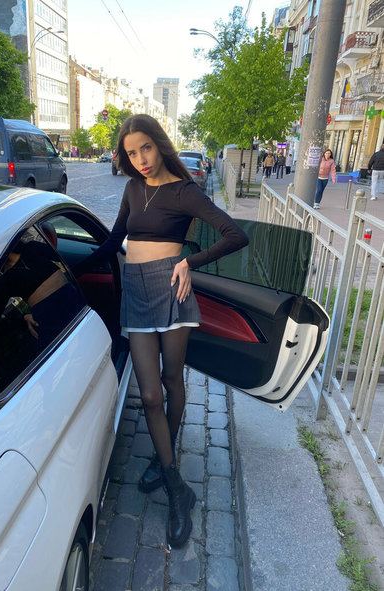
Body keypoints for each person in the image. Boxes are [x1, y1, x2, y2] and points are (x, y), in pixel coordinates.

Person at [77, 114, 248, 548]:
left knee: (172, 380)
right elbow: (113, 242)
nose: (141, 159)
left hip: (171, 289)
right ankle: (177, 487)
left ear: (159, 143)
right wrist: (69, 268)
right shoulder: (133, 189)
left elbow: (235, 235)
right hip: (135, 292)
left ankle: (163, 457)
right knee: (150, 395)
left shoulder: (184, 191)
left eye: (146, 148)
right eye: (132, 153)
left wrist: (189, 261)